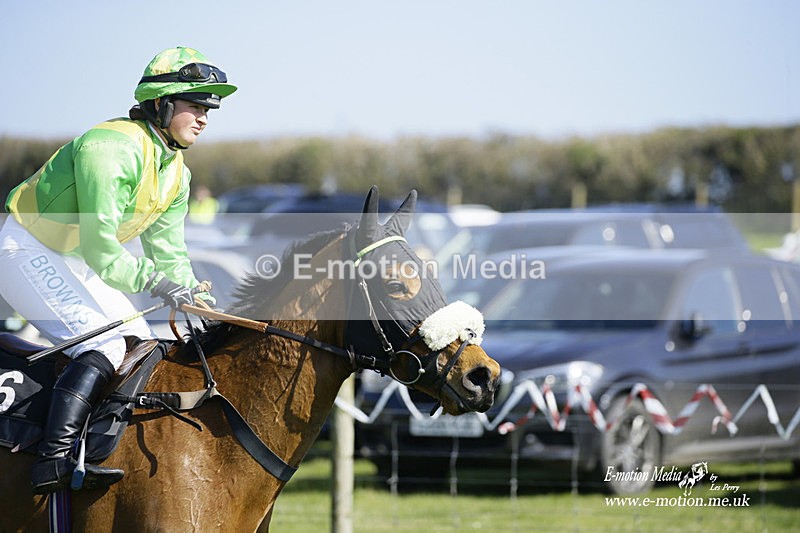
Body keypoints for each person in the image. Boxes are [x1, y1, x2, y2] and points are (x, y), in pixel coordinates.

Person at [0, 46, 236, 494]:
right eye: (195, 105)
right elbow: (101, 246)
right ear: (161, 104)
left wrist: (199, 299)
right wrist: (155, 282)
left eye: (209, 109)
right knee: (105, 345)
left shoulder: (176, 171)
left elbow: (169, 251)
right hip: (25, 248)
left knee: (139, 344)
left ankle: (95, 451)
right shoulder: (111, 148)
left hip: (71, 258)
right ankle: (53, 460)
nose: (205, 117)